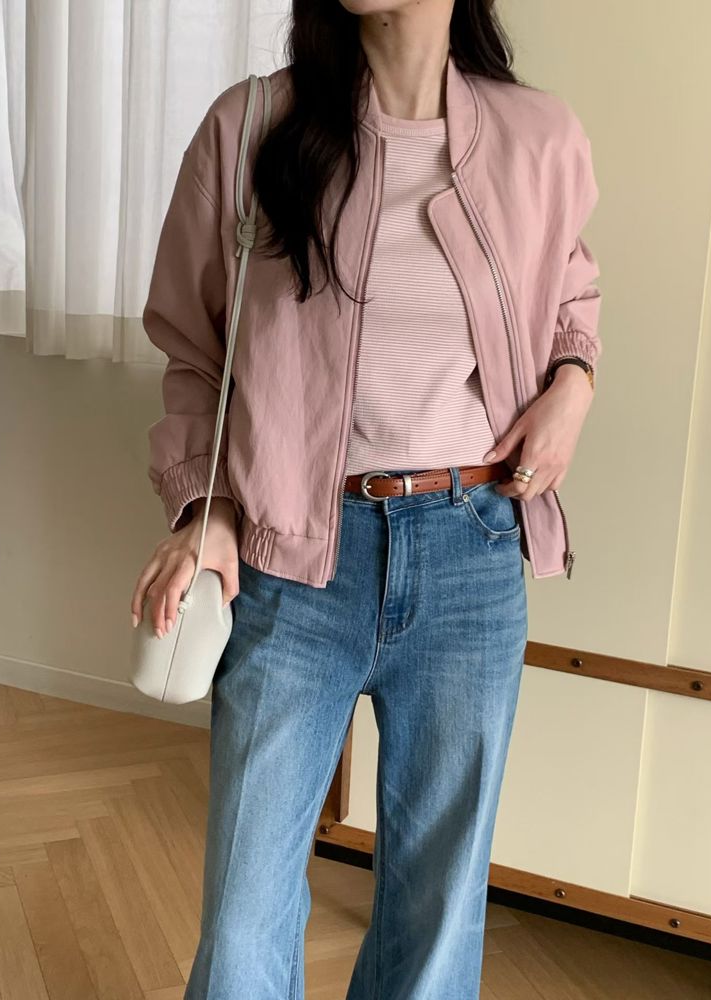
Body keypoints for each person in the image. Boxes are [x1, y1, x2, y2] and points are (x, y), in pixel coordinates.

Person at [130, 1, 602, 996]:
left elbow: (571, 294)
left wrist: (574, 385)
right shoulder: (249, 128)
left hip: (473, 550)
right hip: (292, 558)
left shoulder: (540, 136)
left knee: (438, 912)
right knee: (244, 916)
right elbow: (193, 348)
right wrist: (205, 510)